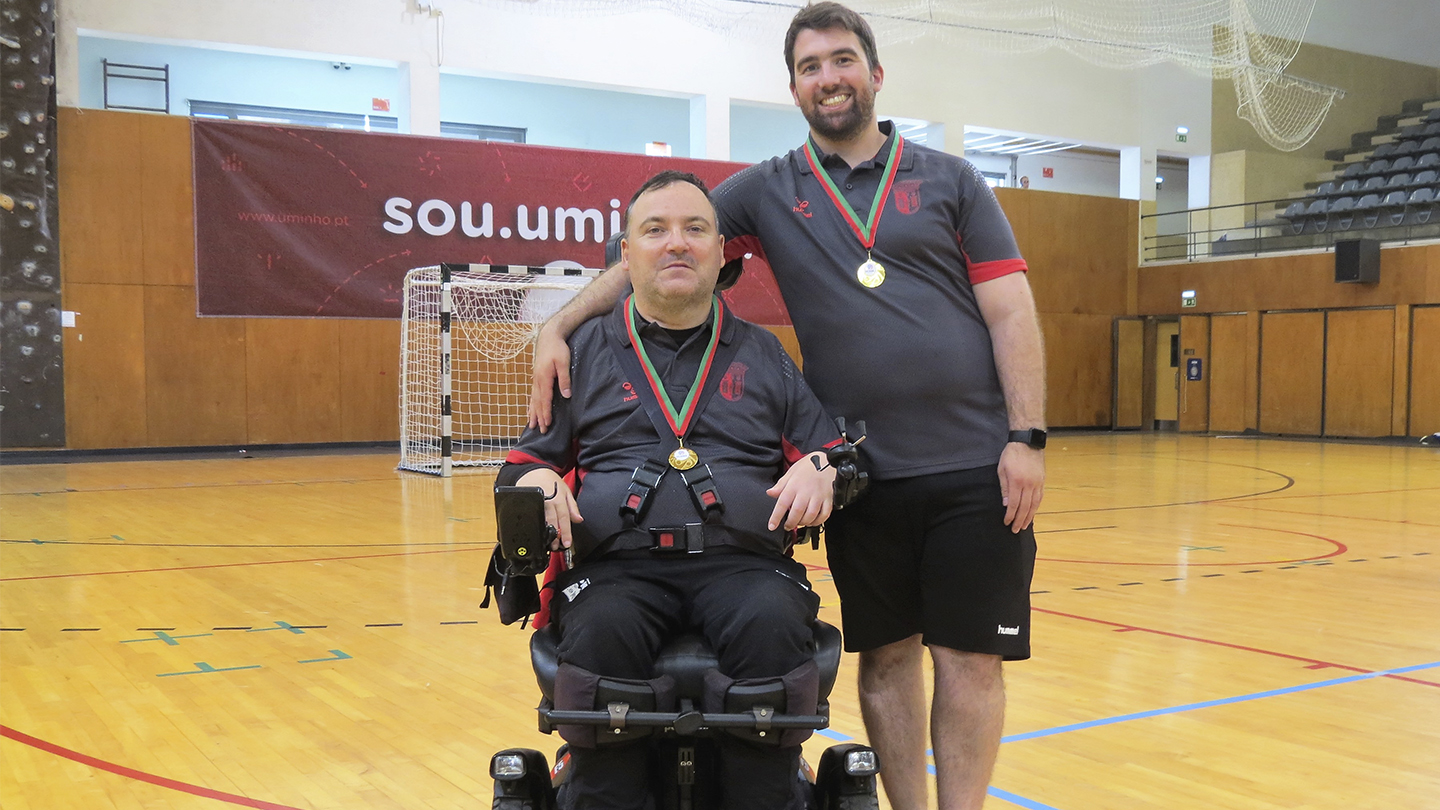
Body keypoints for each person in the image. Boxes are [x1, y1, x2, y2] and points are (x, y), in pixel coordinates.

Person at [528, 5, 1046, 808]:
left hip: (973, 460)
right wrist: (558, 326)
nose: (828, 78)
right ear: (795, 88)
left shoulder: (952, 179)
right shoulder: (766, 190)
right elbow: (665, 248)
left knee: (971, 658)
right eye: (810, 67)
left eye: (842, 60)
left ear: (875, 74)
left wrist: (1026, 437)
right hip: (869, 472)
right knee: (888, 659)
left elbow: (1011, 311)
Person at [497, 170, 842, 809]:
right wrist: (538, 479)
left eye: (695, 229)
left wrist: (825, 467)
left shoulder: (765, 354)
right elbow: (521, 467)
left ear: (721, 252)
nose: (677, 243)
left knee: (772, 622)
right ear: (627, 255)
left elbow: (837, 455)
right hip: (615, 571)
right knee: (600, 629)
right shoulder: (580, 354)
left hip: (746, 567)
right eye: (655, 230)